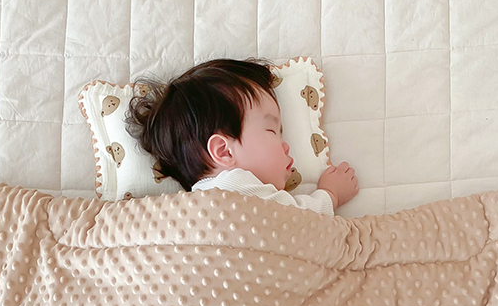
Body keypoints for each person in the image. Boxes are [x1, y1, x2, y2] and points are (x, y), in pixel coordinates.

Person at [125, 58, 359, 214]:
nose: (286, 146)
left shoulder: (185, 207)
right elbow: (303, 220)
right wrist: (331, 195)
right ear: (224, 151)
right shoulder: (237, 185)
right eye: (272, 131)